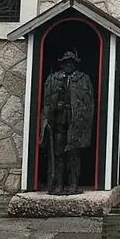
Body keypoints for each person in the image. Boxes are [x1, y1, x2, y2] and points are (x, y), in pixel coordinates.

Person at [40, 50, 94, 195]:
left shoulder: (83, 79)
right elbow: (46, 103)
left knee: (74, 154)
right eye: (66, 62)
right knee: (58, 154)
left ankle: (73, 185)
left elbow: (88, 104)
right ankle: (58, 185)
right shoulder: (53, 79)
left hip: (76, 122)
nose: (68, 64)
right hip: (59, 121)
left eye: (71, 62)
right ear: (61, 63)